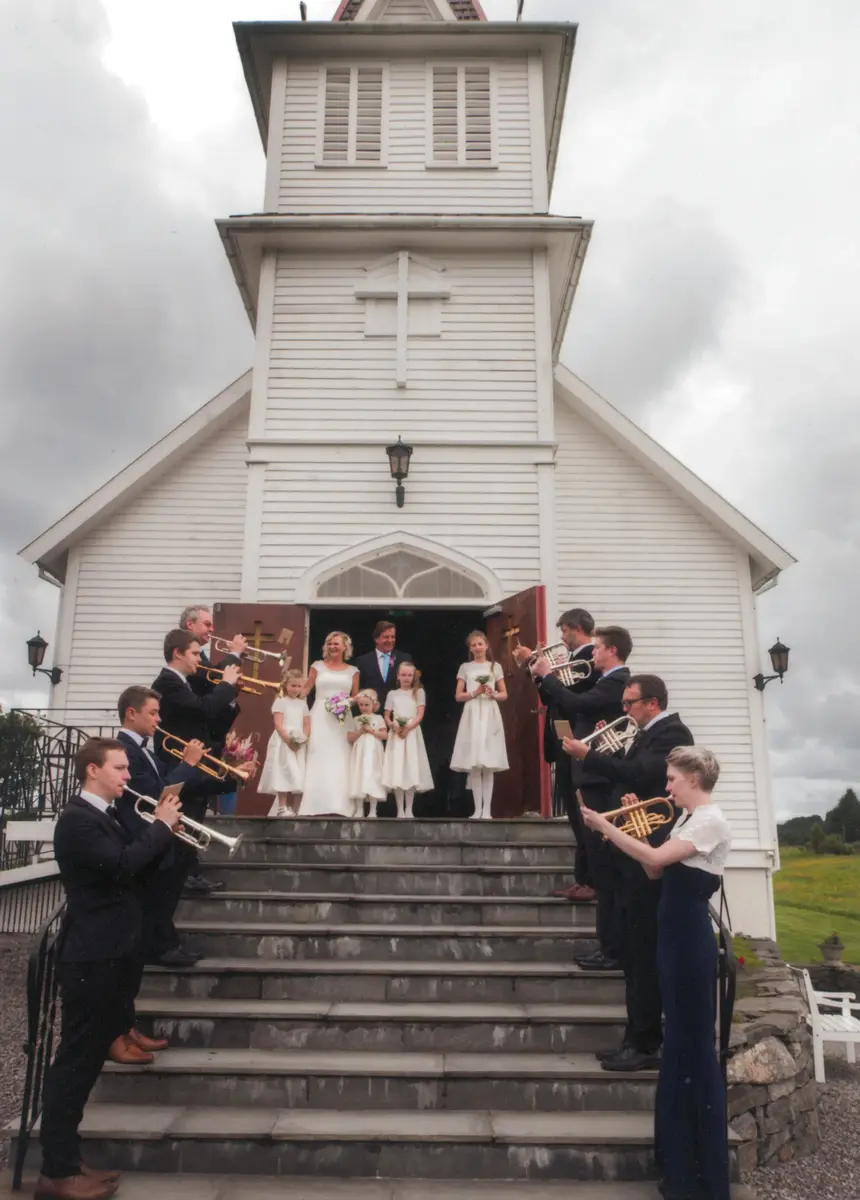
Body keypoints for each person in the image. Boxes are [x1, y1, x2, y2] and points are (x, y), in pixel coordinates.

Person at [581, 747, 732, 1200]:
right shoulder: (687, 820)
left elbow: (658, 858)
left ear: (693, 779)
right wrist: (632, 823)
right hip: (672, 933)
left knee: (690, 1041)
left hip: (689, 939)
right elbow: (652, 869)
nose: (666, 788)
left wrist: (607, 826)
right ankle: (679, 1164)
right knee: (679, 1041)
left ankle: (700, 1175)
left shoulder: (710, 820)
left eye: (672, 780)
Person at [37, 738, 182, 1200]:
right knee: (75, 1062)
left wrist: (163, 836)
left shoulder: (107, 815)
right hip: (92, 955)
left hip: (111, 951)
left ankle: (68, 1160)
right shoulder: (78, 819)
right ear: (93, 770)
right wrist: (159, 827)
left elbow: (134, 872)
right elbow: (119, 866)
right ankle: (57, 1171)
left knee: (86, 1062)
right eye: (119, 768)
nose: (127, 775)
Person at [564, 675, 693, 1071]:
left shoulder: (671, 733)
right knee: (633, 954)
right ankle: (635, 1038)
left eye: (629, 703)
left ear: (652, 703)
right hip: (631, 854)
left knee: (642, 955)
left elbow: (640, 773)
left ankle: (645, 1043)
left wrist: (589, 755)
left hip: (648, 856)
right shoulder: (646, 733)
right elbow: (635, 775)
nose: (624, 710)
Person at [532, 625, 632, 971]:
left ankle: (612, 948)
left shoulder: (617, 681)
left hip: (598, 777)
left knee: (604, 871)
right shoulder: (607, 679)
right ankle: (607, 945)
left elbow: (577, 702)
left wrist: (548, 675)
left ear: (613, 651)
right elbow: (570, 704)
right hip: (586, 772)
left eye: (599, 647)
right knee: (599, 865)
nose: (594, 652)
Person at [115, 686, 206, 969]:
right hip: (142, 834)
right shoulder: (124, 751)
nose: (158, 719)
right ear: (132, 714)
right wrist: (188, 762)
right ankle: (161, 948)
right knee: (155, 896)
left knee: (164, 893)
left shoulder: (145, 751)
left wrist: (231, 777)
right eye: (153, 713)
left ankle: (166, 944)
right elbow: (156, 793)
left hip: (158, 834)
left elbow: (173, 781)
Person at [513, 607, 597, 897]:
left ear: (578, 629)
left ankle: (590, 881)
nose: (561, 636)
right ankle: (581, 878)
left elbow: (572, 697)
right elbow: (549, 697)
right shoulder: (572, 658)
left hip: (576, 734)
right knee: (573, 812)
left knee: (580, 812)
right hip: (562, 732)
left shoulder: (589, 657)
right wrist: (539, 673)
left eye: (564, 630)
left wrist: (540, 664)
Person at [152, 629, 241, 894]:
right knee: (187, 816)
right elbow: (203, 709)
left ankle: (190, 872)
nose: (199, 660)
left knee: (194, 815)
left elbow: (208, 719)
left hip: (194, 760)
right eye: (194, 654)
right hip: (178, 763)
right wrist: (225, 685)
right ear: (177, 653)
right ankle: (185, 877)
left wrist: (230, 698)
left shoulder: (185, 683)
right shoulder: (168, 682)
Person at [299, 632, 360, 817]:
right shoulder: (317, 666)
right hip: (320, 715)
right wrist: (289, 695)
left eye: (336, 644)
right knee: (317, 755)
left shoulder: (353, 671)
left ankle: (340, 805)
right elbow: (306, 689)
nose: (333, 647)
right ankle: (314, 804)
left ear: (345, 647)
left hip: (342, 718)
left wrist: (345, 703)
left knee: (341, 757)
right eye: (330, 644)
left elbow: (356, 696)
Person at [450, 630, 509, 819]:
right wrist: (474, 692)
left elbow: (504, 694)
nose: (477, 647)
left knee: (488, 763)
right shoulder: (465, 667)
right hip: (473, 712)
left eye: (480, 644)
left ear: (486, 645)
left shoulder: (495, 666)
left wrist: (493, 693)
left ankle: (487, 810)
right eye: (473, 645)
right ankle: (477, 809)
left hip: (489, 712)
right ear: (470, 648)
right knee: (475, 763)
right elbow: (458, 695)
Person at [382, 661, 433, 818]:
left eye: (410, 675)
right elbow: (387, 715)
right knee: (398, 768)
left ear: (414, 676)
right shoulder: (392, 694)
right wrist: (393, 726)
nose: (406, 678)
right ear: (398, 676)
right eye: (403, 674)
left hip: (411, 733)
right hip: (396, 733)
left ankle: (409, 809)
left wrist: (408, 728)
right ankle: (400, 810)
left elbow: (420, 714)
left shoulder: (419, 692)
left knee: (411, 767)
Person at [258, 670, 310, 817]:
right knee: (284, 771)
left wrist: (303, 738)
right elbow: (278, 724)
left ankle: (292, 807)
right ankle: (281, 807)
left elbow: (306, 723)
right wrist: (288, 740)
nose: (296, 689)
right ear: (286, 685)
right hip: (284, 741)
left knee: (297, 773)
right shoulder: (280, 702)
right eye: (293, 685)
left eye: (299, 686)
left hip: (298, 742)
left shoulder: (302, 704)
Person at [347, 689, 388, 817]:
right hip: (360, 751)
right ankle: (359, 809)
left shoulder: (378, 718)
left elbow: (384, 735)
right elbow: (350, 737)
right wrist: (360, 731)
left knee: (374, 775)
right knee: (359, 775)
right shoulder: (356, 719)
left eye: (367, 705)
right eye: (361, 705)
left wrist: (372, 731)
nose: (363, 708)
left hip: (374, 751)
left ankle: (373, 810)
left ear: (374, 705)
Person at [353, 621, 413, 708]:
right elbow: (359, 689)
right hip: (371, 711)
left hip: (398, 710)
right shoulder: (362, 661)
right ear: (376, 639)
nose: (390, 640)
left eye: (393, 637)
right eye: (386, 637)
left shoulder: (404, 658)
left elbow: (412, 685)